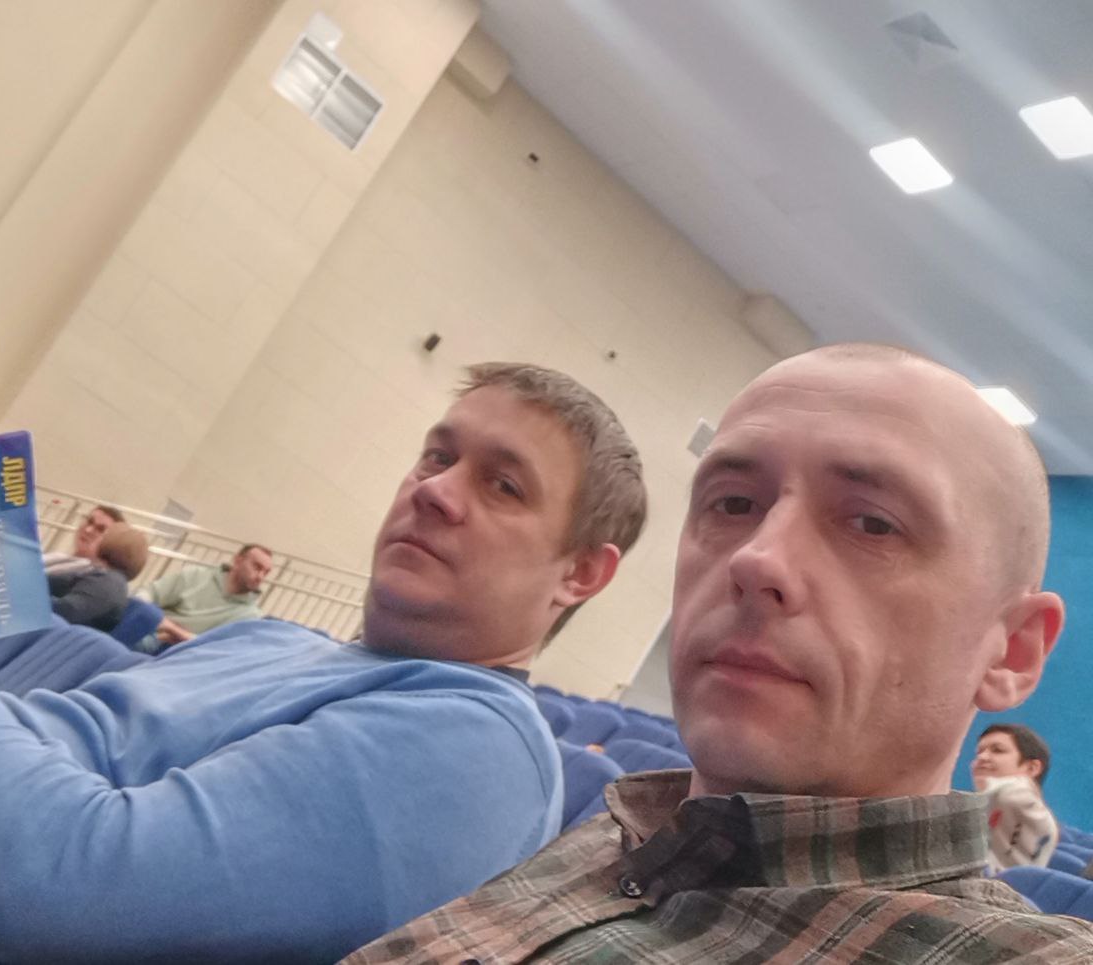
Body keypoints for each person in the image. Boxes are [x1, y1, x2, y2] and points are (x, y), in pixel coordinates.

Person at [0, 361, 646, 963]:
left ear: (580, 573)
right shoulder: (272, 640)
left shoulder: (477, 747)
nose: (434, 489)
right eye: (438, 455)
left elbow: (75, 884)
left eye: (503, 485)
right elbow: (21, 750)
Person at [345, 343, 1093, 964]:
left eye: (872, 523)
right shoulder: (613, 837)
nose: (756, 558)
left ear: (1011, 651)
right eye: (734, 503)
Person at [138, 542, 273, 646]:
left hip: (181, 652)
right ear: (237, 561)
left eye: (266, 572)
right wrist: (152, 618)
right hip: (152, 629)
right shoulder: (196, 575)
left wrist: (174, 630)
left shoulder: (251, 616)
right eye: (257, 567)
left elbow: (219, 648)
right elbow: (149, 593)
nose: (260, 577)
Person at [971, 722, 1059, 872]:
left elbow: (1014, 792)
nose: (982, 757)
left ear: (1031, 768)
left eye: (997, 750)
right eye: (979, 752)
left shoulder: (1027, 806)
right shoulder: (993, 802)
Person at [47, 523, 150, 632]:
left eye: (103, 535)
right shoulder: (101, 575)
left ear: (112, 543)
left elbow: (66, 610)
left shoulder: (109, 584)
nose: (95, 537)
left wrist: (34, 596)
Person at [41, 503, 125, 576]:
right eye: (89, 521)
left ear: (110, 542)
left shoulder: (93, 576)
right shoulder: (56, 557)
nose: (88, 530)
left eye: (100, 529)